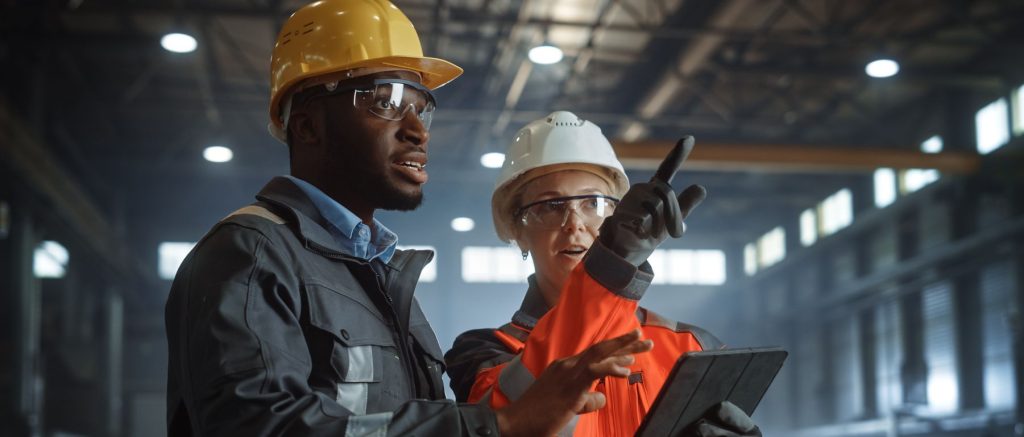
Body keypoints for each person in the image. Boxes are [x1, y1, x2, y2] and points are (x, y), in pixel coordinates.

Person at [164, 2, 653, 436]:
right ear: (308, 124)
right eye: (387, 102)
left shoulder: (379, 279)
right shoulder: (253, 254)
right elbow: (258, 426)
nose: (418, 131)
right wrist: (495, 427)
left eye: (421, 108)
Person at [444, 111, 762, 436]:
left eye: (592, 203)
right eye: (549, 206)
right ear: (517, 230)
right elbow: (504, 421)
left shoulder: (691, 347)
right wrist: (614, 263)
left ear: (617, 213)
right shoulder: (484, 352)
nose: (575, 223)